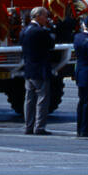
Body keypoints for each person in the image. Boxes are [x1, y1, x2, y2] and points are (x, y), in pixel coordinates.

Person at [20, 7, 54, 135]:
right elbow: (51, 44)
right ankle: (39, 126)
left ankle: (28, 126)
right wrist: (49, 31)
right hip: (40, 69)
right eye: (45, 16)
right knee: (42, 99)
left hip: (28, 68)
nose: (46, 19)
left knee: (29, 99)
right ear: (38, 16)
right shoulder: (40, 31)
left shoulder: (24, 31)